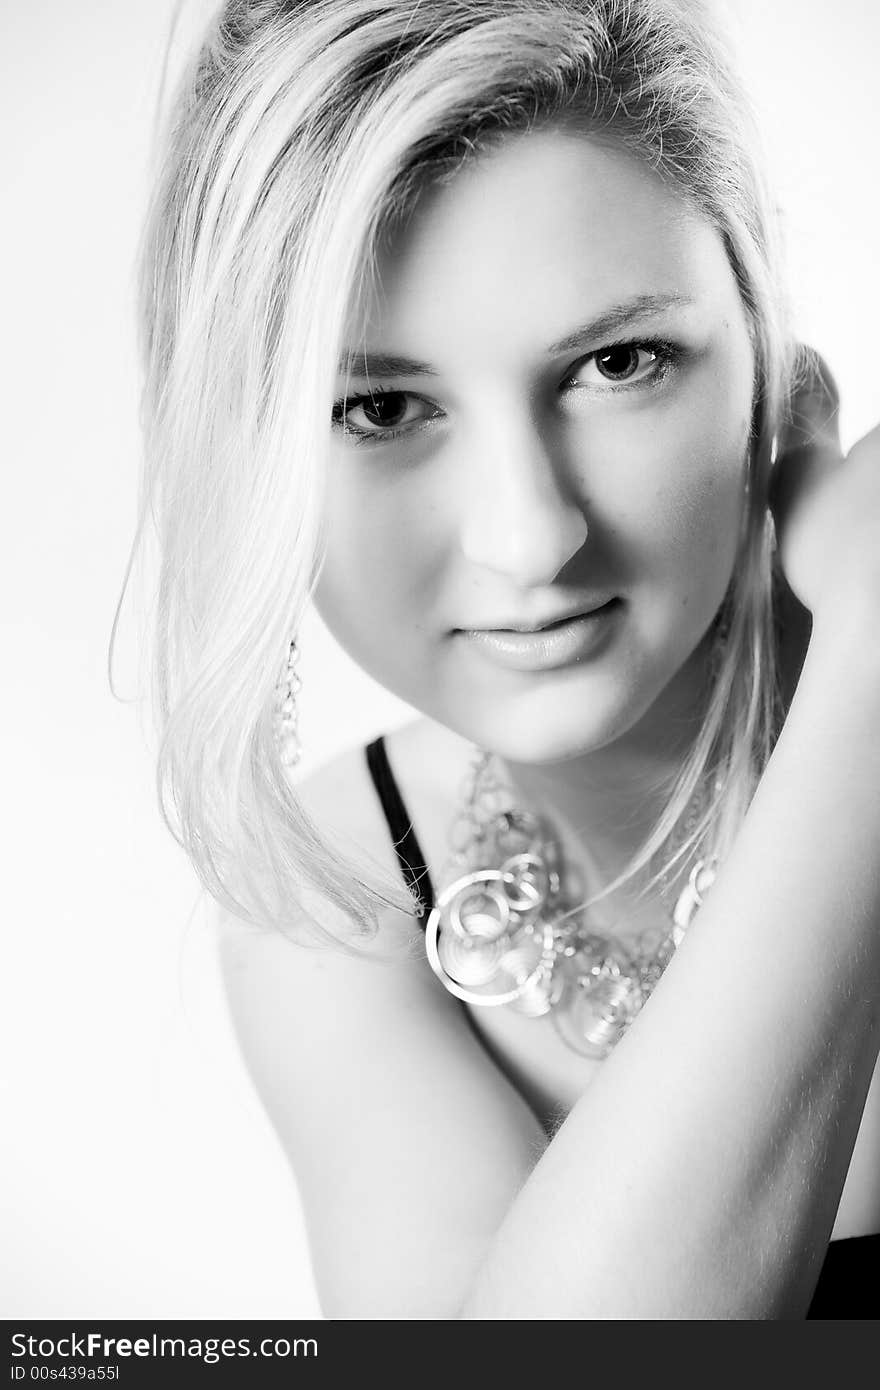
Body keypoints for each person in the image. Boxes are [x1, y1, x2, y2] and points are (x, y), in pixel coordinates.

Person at [128, 0, 880, 1318]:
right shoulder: (340, 891)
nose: (528, 536)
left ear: (778, 380)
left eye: (619, 361)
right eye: (381, 406)